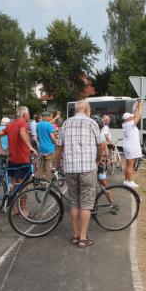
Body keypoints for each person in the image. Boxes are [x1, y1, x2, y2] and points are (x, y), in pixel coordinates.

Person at [54, 99, 103, 248]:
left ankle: (75, 235)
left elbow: (59, 147)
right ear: (87, 109)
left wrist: (56, 165)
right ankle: (83, 238)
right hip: (87, 167)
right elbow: (100, 145)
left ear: (76, 110)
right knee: (87, 203)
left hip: (70, 168)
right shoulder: (92, 123)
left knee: (75, 202)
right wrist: (98, 159)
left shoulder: (66, 123)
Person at [0, 106, 37, 214]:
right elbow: (22, 132)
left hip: (12, 160)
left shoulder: (11, 125)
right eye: (28, 114)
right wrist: (31, 147)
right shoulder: (23, 123)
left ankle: (14, 209)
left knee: (14, 186)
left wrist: (0, 150)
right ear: (24, 115)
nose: (29, 116)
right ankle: (24, 210)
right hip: (22, 160)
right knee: (24, 187)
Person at [122, 101, 143, 188]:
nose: (133, 117)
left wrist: (137, 108)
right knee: (130, 165)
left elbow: (135, 115)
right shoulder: (130, 124)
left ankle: (126, 180)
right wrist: (141, 106)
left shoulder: (126, 124)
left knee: (128, 164)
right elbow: (139, 116)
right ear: (129, 118)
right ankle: (130, 181)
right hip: (131, 147)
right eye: (131, 116)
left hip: (128, 146)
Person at [35, 111, 58, 180]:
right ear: (46, 117)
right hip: (49, 148)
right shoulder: (49, 125)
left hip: (41, 148)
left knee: (41, 165)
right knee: (49, 165)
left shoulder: (38, 125)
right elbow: (52, 136)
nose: (51, 118)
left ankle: (40, 180)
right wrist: (56, 142)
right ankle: (48, 181)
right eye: (50, 116)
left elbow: (38, 137)